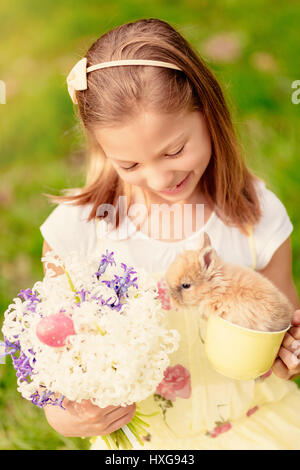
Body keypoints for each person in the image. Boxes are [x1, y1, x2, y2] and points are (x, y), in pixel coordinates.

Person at [39, 18, 300, 449]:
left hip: (256, 423)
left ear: (208, 113)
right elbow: (53, 366)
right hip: (147, 445)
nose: (160, 178)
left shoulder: (255, 216)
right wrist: (70, 417)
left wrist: (288, 357)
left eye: (175, 150)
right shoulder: (79, 233)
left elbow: (281, 332)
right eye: (131, 165)